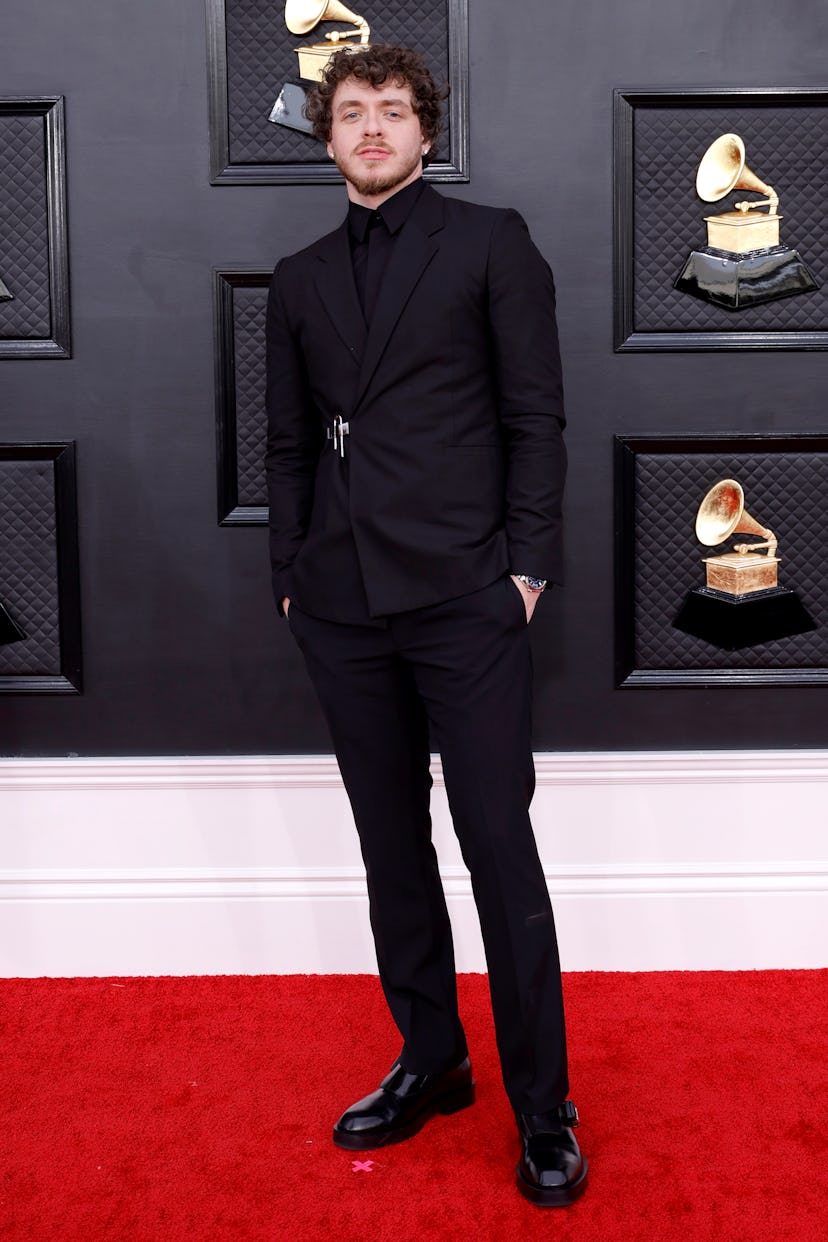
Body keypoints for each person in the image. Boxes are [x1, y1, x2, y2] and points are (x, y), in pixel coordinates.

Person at [265, 43, 586, 1207]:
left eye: (392, 111)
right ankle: (433, 1059)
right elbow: (289, 446)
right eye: (350, 114)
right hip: (342, 604)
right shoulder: (299, 278)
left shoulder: (492, 242)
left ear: (424, 132)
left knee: (498, 845)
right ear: (329, 137)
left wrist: (528, 573)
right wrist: (290, 576)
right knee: (390, 846)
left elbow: (537, 415)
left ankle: (544, 1103)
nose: (370, 129)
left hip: (467, 596)